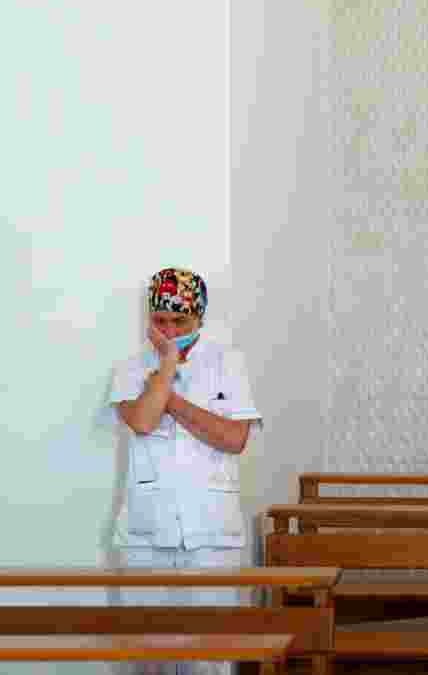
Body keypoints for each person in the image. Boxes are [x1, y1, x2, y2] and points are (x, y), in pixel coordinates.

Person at [107, 267, 262, 675]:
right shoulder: (128, 368)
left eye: (181, 322)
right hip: (145, 536)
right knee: (148, 659)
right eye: (161, 321)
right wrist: (170, 363)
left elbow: (233, 438)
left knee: (211, 661)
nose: (170, 330)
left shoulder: (230, 364)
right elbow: (141, 420)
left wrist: (167, 395)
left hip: (212, 536)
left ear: (200, 320)